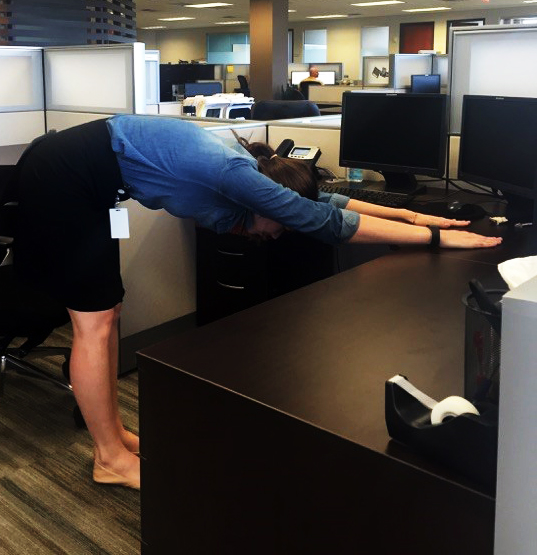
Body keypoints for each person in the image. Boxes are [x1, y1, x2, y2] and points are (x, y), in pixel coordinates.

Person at [12, 115, 502, 491]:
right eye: (279, 223)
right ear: (266, 200)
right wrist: (441, 240)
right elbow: (325, 223)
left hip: (85, 180)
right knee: (94, 322)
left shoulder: (254, 175)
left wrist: (418, 218)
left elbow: (328, 204)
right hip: (61, 178)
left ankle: (115, 437)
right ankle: (108, 460)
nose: (276, 234)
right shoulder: (233, 172)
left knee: (107, 313)